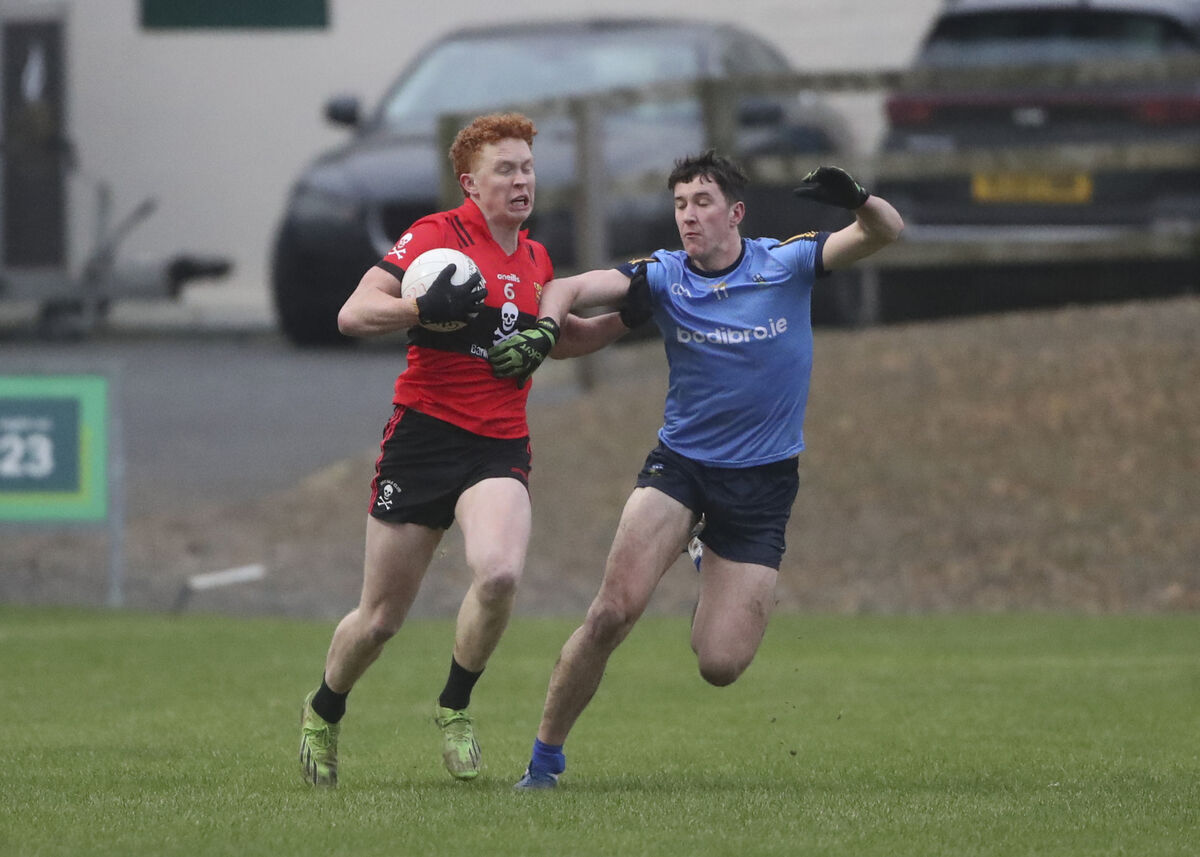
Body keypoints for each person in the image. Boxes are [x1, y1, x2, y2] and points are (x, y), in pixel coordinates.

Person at [488, 151, 904, 789]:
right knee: (609, 615)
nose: (689, 216)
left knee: (720, 664)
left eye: (703, 202)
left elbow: (884, 232)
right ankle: (544, 762)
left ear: (735, 213)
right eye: (680, 204)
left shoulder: (784, 262)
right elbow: (568, 288)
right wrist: (545, 330)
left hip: (763, 486)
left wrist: (859, 199)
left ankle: (707, 553)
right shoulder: (662, 276)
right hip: (679, 470)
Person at [297, 112, 626, 787]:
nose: (521, 180)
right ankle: (324, 709)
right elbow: (353, 314)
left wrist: (630, 317)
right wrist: (423, 306)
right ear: (470, 182)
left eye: (527, 168)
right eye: (505, 169)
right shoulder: (435, 237)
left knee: (500, 573)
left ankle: (454, 705)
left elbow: (560, 337)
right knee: (381, 618)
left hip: (497, 442)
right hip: (422, 437)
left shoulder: (535, 258)